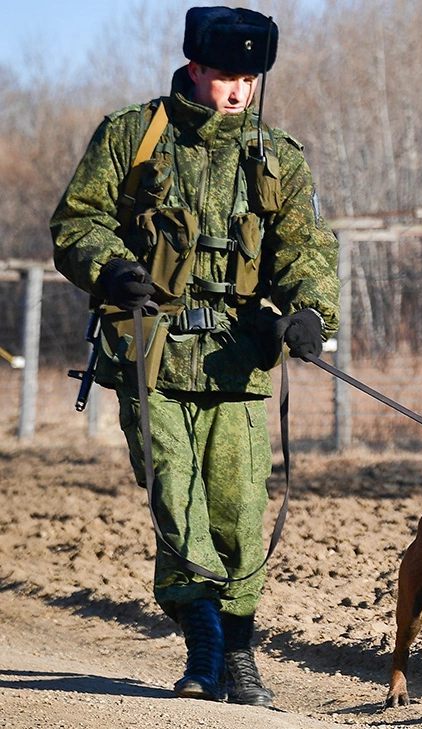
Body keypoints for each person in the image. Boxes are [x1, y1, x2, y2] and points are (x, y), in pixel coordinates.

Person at [51, 7, 339, 706]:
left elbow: (306, 248)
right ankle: (205, 645)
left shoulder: (278, 157)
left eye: (249, 78)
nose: (237, 90)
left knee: (242, 516)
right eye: (225, 75)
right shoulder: (132, 136)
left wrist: (307, 312)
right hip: (152, 359)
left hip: (238, 362)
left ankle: (239, 654)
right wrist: (114, 269)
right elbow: (76, 222)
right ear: (194, 67)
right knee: (176, 502)